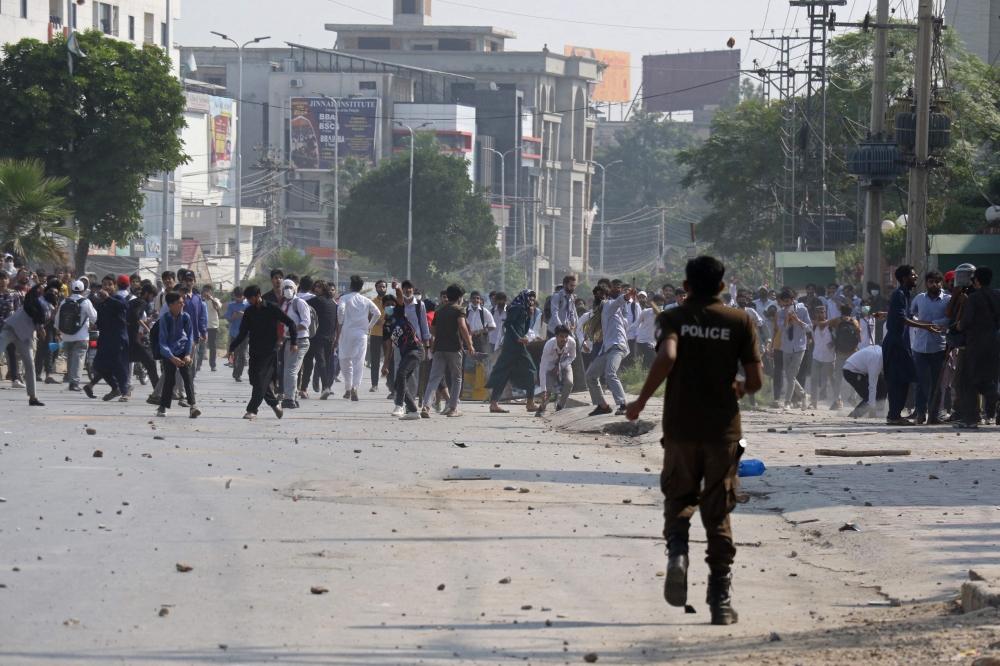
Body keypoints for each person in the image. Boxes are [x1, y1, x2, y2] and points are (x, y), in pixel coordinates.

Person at [625, 256, 763, 626]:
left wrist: (640, 401)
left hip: (681, 429)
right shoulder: (740, 320)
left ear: (685, 287)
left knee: (679, 498)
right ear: (722, 286)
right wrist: (738, 386)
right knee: (717, 511)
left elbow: (667, 357)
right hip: (723, 432)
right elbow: (755, 382)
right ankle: (719, 599)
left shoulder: (674, 318)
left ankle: (678, 555)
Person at [881, 265, 944, 425]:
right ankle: (894, 416)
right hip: (895, 343)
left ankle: (895, 414)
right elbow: (902, 319)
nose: (916, 277)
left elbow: (909, 317)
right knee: (896, 381)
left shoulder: (905, 295)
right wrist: (926, 327)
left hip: (902, 343)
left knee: (904, 380)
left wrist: (926, 324)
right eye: (913, 274)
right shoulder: (899, 294)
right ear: (905, 278)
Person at [228, 284, 297, 419]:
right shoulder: (249, 311)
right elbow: (242, 333)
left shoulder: (272, 308)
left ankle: (252, 410)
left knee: (260, 379)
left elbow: (291, 323)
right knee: (255, 380)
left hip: (269, 351)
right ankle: (274, 403)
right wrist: (232, 348)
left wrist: (294, 342)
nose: (249, 301)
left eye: (251, 299)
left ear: (258, 296)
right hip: (254, 350)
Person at [953, 266, 1000, 429]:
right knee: (988, 377)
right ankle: (993, 401)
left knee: (967, 379)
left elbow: (964, 323)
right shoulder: (998, 294)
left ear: (977, 280)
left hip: (976, 343)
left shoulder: (974, 298)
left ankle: (971, 419)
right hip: (994, 342)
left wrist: (955, 327)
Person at [421, 283, 474, 418]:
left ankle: (426, 407)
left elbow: (432, 330)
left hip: (439, 348)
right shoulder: (459, 310)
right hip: (454, 348)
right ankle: (452, 408)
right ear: (460, 297)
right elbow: (462, 326)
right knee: (456, 378)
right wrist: (469, 344)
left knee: (434, 378)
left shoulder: (439, 311)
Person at [585, 283, 636, 417]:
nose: (598, 297)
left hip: (617, 345)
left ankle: (623, 404)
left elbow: (620, 300)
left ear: (607, 297)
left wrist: (628, 295)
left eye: (601, 295)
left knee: (610, 374)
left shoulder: (609, 305)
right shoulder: (600, 312)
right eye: (596, 295)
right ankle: (602, 405)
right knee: (590, 375)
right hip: (607, 348)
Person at [485, 289, 539, 413]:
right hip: (514, 346)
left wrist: (529, 317)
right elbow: (508, 324)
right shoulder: (518, 308)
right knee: (531, 371)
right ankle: (530, 402)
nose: (531, 302)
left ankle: (494, 402)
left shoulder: (523, 310)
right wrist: (518, 338)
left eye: (532, 300)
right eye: (529, 299)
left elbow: (524, 330)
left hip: (516, 346)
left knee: (505, 373)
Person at [909, 270, 951, 424]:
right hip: (919, 347)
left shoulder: (947, 300)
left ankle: (933, 414)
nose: (934, 285)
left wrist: (930, 324)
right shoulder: (920, 299)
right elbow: (910, 315)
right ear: (926, 284)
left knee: (937, 383)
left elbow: (948, 320)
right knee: (918, 382)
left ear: (942, 283)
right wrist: (919, 322)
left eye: (937, 282)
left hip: (938, 347)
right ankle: (920, 413)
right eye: (931, 282)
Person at [0, 284, 49, 405]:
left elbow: (41, 319)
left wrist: (42, 326)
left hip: (24, 336)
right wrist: (41, 327)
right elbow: (33, 313)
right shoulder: (31, 300)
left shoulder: (48, 306)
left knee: (29, 364)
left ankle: (33, 397)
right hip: (10, 329)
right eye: (41, 290)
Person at [334, 274, 380, 401]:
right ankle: (355, 387)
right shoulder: (366, 300)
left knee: (344, 359)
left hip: (346, 332)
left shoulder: (345, 298)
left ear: (350, 287)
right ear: (361, 288)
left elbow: (340, 309)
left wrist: (341, 323)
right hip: (361, 334)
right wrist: (369, 326)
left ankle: (348, 389)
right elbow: (378, 313)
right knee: (358, 361)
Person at [155, 292, 200, 418]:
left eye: (182, 302)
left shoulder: (185, 317)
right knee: (169, 380)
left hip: (182, 350)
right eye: (179, 302)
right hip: (169, 352)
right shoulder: (164, 319)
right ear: (171, 305)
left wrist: (187, 354)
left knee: (187, 377)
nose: (182, 304)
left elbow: (189, 336)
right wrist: (171, 357)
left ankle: (192, 406)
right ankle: (163, 407)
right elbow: (162, 342)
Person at [382, 287, 424, 419]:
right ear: (383, 306)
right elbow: (390, 348)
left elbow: (400, 297)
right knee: (398, 383)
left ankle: (399, 405)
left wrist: (397, 288)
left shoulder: (399, 313)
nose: (390, 306)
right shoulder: (386, 326)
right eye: (387, 304)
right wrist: (385, 366)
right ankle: (412, 411)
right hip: (406, 354)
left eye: (392, 304)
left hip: (416, 349)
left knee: (401, 374)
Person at [91, 278, 131, 401]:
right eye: (104, 284)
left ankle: (125, 392)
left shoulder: (118, 298)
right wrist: (96, 324)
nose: (107, 287)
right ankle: (115, 387)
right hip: (104, 338)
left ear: (115, 287)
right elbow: (101, 318)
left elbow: (124, 306)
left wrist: (108, 298)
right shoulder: (100, 302)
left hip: (118, 338)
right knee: (98, 365)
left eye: (110, 284)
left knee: (119, 365)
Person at [57, 280, 97, 392]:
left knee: (70, 357)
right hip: (81, 335)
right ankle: (74, 383)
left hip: (67, 335)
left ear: (71, 289)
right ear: (83, 291)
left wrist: (58, 332)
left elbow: (57, 319)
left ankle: (71, 380)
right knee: (78, 358)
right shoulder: (86, 302)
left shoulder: (64, 301)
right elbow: (94, 317)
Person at [276, 279, 311, 409]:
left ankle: (289, 398)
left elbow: (306, 322)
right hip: (288, 341)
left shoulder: (299, 303)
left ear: (295, 288)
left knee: (290, 370)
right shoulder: (283, 305)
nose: (288, 290)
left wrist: (293, 330)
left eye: (290, 287)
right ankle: (293, 397)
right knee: (288, 370)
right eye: (285, 287)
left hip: (300, 341)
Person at [775, 287, 812, 409]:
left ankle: (787, 403)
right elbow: (781, 328)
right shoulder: (781, 312)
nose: (786, 304)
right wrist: (786, 319)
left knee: (791, 375)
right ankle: (804, 395)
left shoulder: (802, 310)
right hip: (786, 347)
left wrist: (797, 320)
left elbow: (809, 327)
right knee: (790, 375)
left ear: (792, 299)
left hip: (800, 346)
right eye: (783, 302)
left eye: (787, 301)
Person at [302, 280, 337, 400]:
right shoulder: (332, 303)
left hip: (316, 337)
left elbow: (302, 304)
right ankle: (320, 388)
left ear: (324, 289)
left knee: (313, 362)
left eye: (319, 287)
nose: (316, 289)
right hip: (329, 337)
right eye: (315, 287)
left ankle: (321, 387)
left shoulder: (316, 300)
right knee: (325, 363)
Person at [535, 324, 576, 416]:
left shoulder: (572, 342)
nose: (564, 339)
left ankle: (560, 407)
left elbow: (572, 357)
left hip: (564, 363)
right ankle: (542, 407)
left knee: (569, 383)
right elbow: (543, 366)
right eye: (561, 336)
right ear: (556, 336)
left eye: (566, 336)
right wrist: (543, 389)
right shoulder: (549, 345)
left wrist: (560, 366)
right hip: (550, 366)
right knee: (548, 390)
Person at [126, 284, 160, 393]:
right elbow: (135, 315)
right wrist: (148, 329)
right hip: (133, 340)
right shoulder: (141, 302)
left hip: (128, 338)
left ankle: (91, 384)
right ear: (146, 294)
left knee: (118, 362)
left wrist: (148, 322)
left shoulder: (133, 301)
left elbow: (133, 317)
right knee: (150, 362)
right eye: (152, 296)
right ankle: (158, 393)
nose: (152, 299)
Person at [842, 344, 887, 418]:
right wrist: (872, 405)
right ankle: (854, 416)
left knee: (883, 382)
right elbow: (872, 386)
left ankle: (879, 412)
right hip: (851, 371)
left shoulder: (881, 352)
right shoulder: (876, 362)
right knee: (869, 397)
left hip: (860, 370)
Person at [807, 305, 837, 409]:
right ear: (815, 314)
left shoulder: (831, 326)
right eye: (818, 312)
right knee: (814, 379)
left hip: (829, 358)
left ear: (825, 313)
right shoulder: (813, 326)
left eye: (822, 312)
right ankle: (814, 402)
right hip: (816, 356)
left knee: (833, 380)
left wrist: (834, 341)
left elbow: (838, 337)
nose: (820, 314)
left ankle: (838, 400)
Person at [627, 293, 664, 368]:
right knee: (653, 358)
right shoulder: (646, 312)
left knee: (647, 361)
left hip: (653, 342)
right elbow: (636, 324)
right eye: (657, 304)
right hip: (643, 340)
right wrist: (624, 333)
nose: (659, 306)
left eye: (661, 305)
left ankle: (643, 376)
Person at [226, 287, 249, 382]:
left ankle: (239, 373)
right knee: (235, 352)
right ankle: (235, 371)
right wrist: (234, 316)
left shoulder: (247, 305)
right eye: (237, 296)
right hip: (234, 333)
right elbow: (228, 319)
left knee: (243, 353)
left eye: (240, 296)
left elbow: (251, 318)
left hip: (245, 333)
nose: (239, 298)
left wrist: (244, 314)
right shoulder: (231, 305)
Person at [368, 280, 388, 393]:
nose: (382, 289)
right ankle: (374, 384)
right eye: (380, 287)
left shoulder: (390, 301)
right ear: (376, 288)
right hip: (375, 334)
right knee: (374, 360)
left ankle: (391, 385)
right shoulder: (372, 302)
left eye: (384, 287)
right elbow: (368, 316)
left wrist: (385, 322)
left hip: (387, 335)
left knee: (389, 360)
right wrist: (376, 322)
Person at [200, 284, 224, 372]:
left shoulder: (214, 300)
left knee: (212, 346)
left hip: (213, 326)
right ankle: (198, 364)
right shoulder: (201, 300)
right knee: (201, 346)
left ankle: (213, 365)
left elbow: (219, 305)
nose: (206, 293)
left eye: (208, 291)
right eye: (205, 291)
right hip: (203, 326)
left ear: (211, 292)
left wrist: (211, 298)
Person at [466, 290, 496, 355]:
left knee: (480, 361)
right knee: (466, 360)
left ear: (480, 300)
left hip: (479, 339)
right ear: (470, 299)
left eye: (477, 298)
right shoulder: (465, 311)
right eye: (474, 298)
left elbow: (493, 326)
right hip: (466, 338)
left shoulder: (484, 311)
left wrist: (479, 332)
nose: (475, 300)